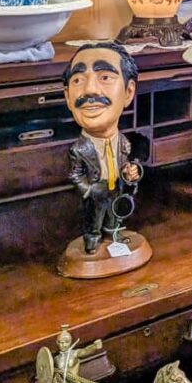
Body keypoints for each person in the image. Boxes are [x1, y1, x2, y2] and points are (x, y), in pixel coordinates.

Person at [63, 41, 143, 255]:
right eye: (78, 80)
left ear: (128, 92)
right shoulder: (79, 149)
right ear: (67, 98)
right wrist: (90, 190)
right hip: (96, 193)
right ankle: (92, 239)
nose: (89, 89)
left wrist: (130, 174)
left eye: (105, 77)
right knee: (94, 219)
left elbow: (126, 164)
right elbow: (75, 175)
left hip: (116, 189)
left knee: (114, 217)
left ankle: (114, 232)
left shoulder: (124, 143)